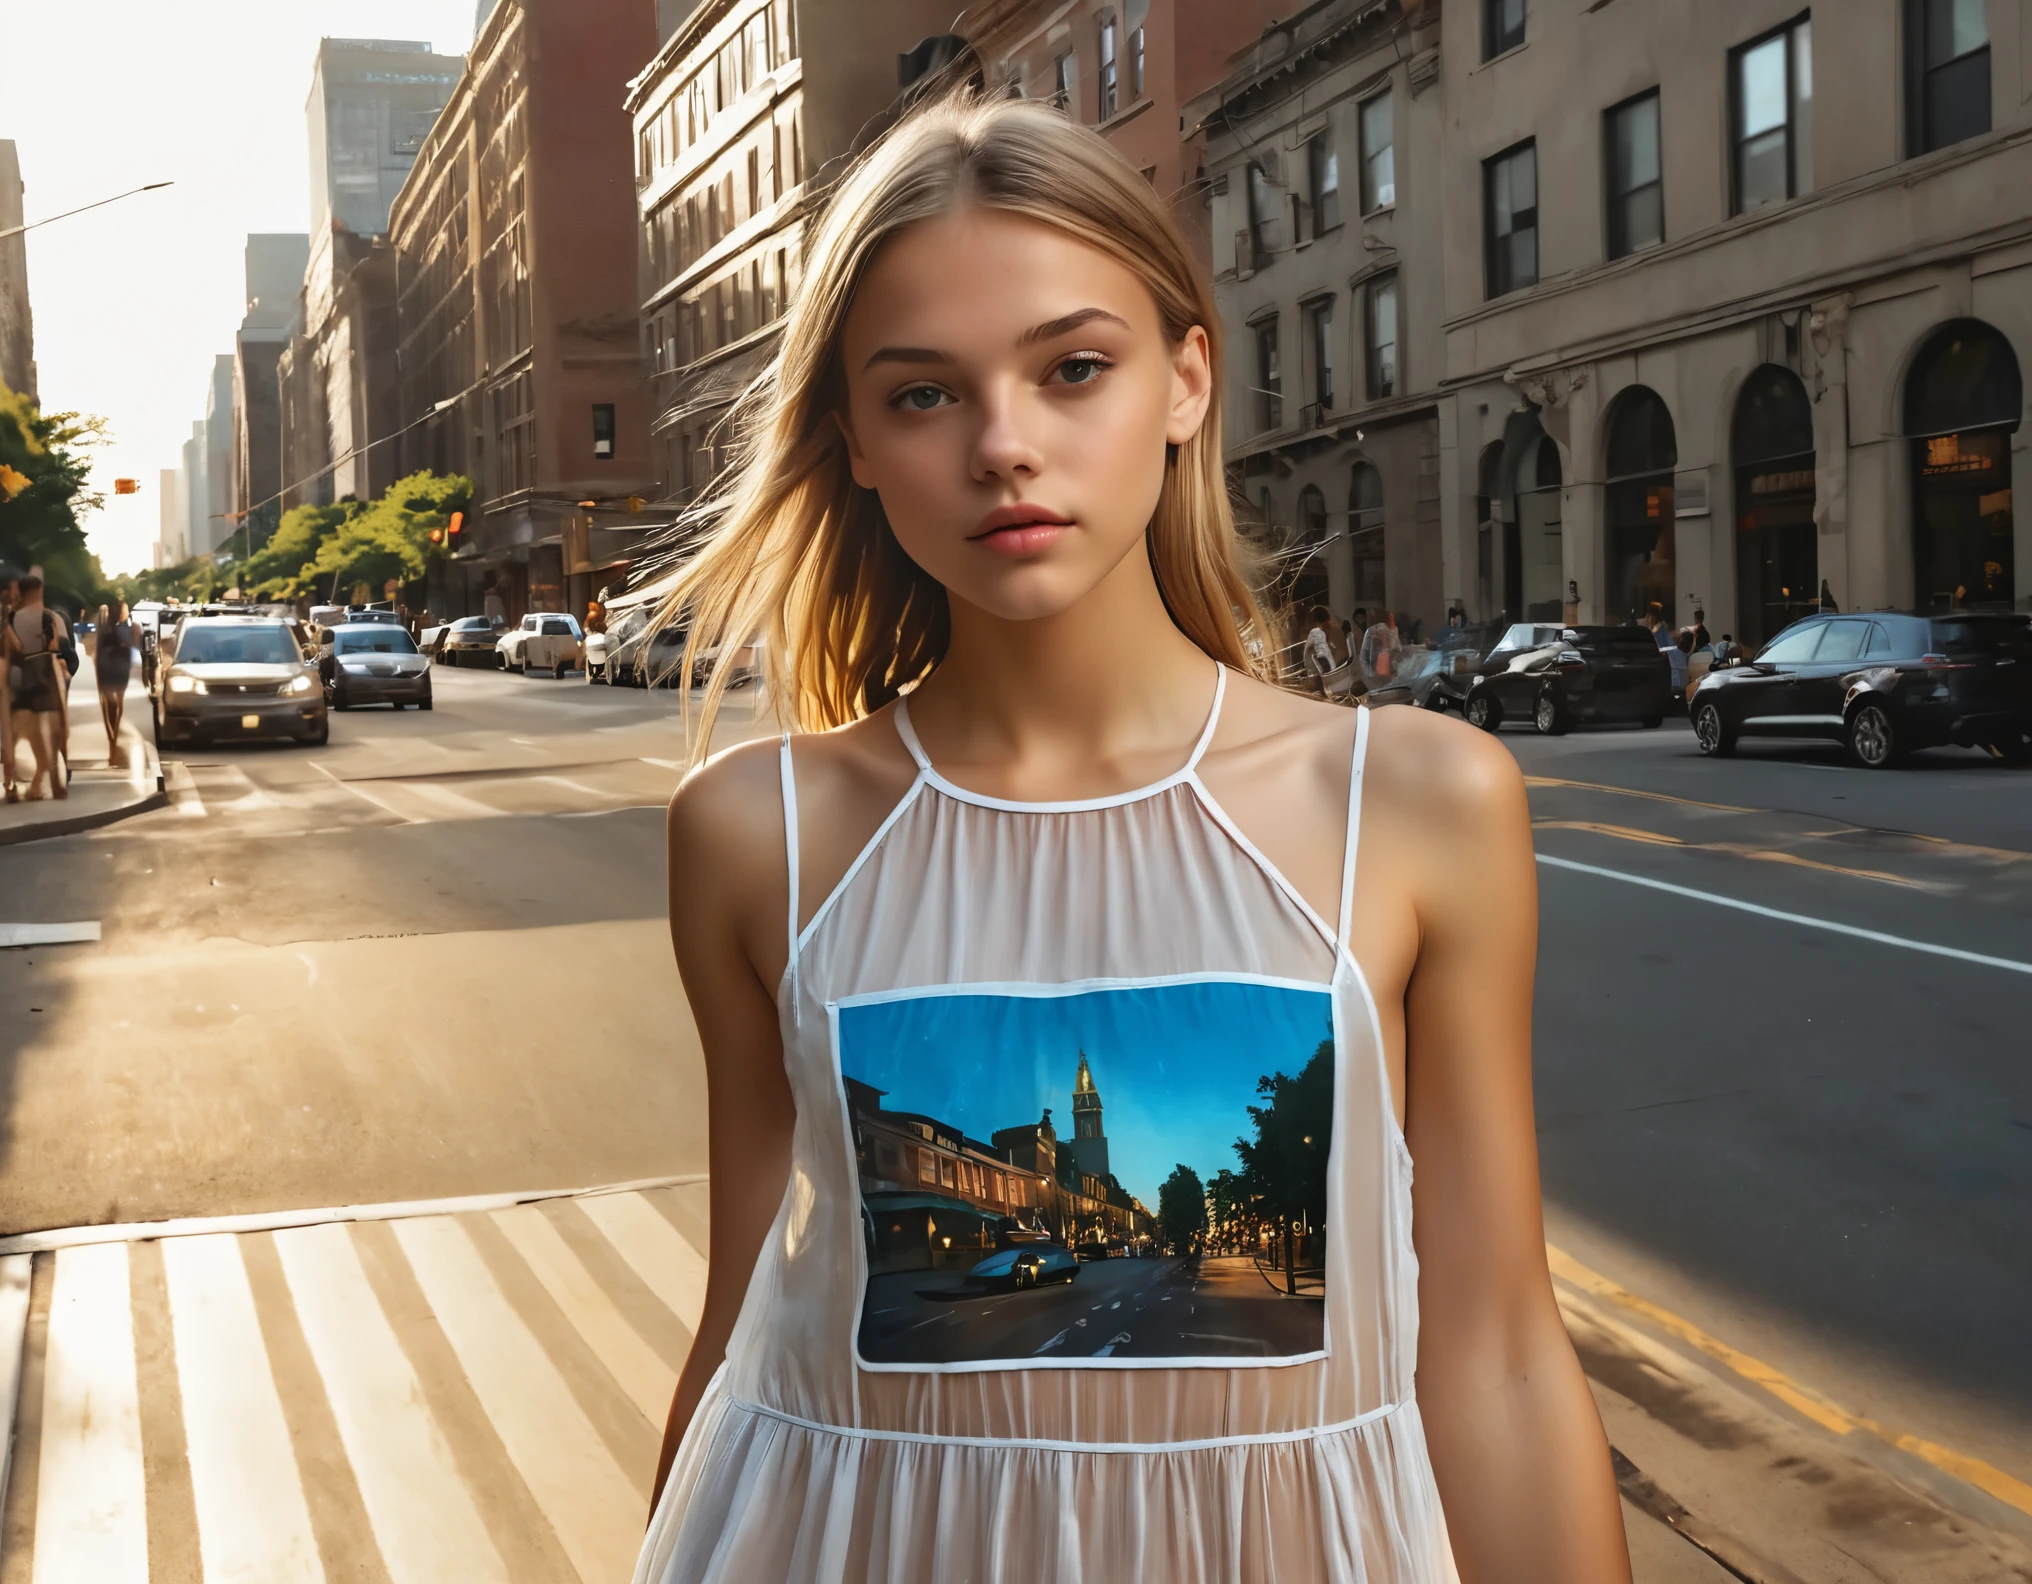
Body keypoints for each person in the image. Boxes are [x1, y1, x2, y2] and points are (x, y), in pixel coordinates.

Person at [634, 93, 1628, 1584]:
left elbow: (1492, 1348)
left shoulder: (1417, 804)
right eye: (923, 395)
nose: (1004, 445)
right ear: (850, 441)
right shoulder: (753, 833)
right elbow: (741, 1331)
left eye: (1073, 369)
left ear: (1184, 381)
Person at [8, 574, 69, 800]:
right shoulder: (48, 617)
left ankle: (12, 785)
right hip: (41, 689)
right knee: (48, 741)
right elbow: (57, 649)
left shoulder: (10, 618)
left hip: (15, 690)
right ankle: (41, 785)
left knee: (11, 742)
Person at [95, 600, 138, 765]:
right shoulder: (129, 628)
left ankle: (112, 740)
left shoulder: (103, 630)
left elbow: (96, 650)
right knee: (119, 705)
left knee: (109, 706)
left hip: (106, 669)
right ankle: (115, 741)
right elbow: (135, 646)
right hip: (121, 668)